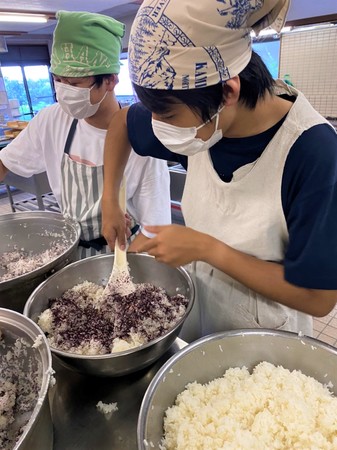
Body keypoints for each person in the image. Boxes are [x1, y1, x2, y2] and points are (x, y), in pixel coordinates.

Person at [101, 0, 337, 340]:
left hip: (266, 344)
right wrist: (110, 196)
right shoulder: (202, 123)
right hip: (200, 324)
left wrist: (207, 249)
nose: (159, 127)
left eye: (167, 118)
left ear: (227, 90)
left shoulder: (311, 152)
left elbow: (318, 298)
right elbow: (122, 123)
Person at [0, 10, 171, 259]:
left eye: (75, 84)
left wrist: (116, 268)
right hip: (69, 251)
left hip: (126, 254)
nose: (63, 92)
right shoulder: (51, 120)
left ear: (111, 81)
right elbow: (4, 163)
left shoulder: (142, 140)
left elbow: (156, 230)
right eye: (58, 80)